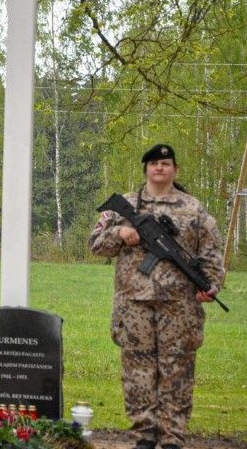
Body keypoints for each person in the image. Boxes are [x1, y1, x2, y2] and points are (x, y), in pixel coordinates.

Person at [88, 143, 225, 449]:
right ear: (146, 169)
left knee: (177, 371)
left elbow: (211, 253)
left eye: (165, 163)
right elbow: (95, 245)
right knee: (138, 372)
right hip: (133, 304)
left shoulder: (193, 208)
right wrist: (118, 234)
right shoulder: (123, 206)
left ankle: (172, 438)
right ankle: (143, 437)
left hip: (180, 307)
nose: (159, 168)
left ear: (175, 169)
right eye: (153, 163)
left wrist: (211, 286)